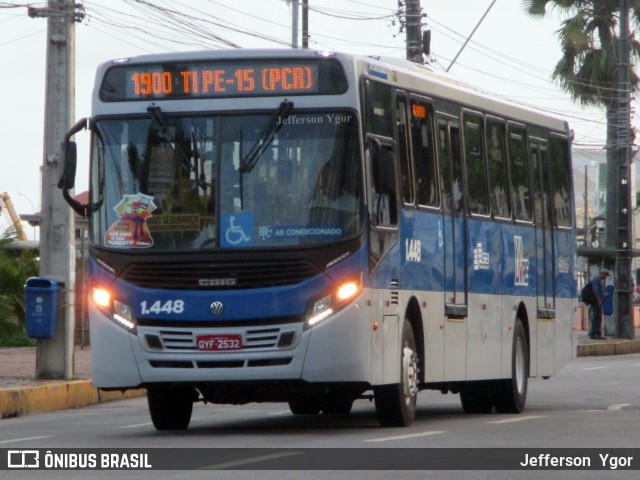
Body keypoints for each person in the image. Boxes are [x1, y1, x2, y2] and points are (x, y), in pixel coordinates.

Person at [589, 269, 610, 340]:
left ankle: (597, 333)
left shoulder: (598, 281)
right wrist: (598, 300)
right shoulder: (596, 280)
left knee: (598, 317)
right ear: (602, 273)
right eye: (605, 275)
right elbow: (595, 291)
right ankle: (594, 334)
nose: (605, 277)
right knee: (596, 317)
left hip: (599, 301)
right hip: (596, 302)